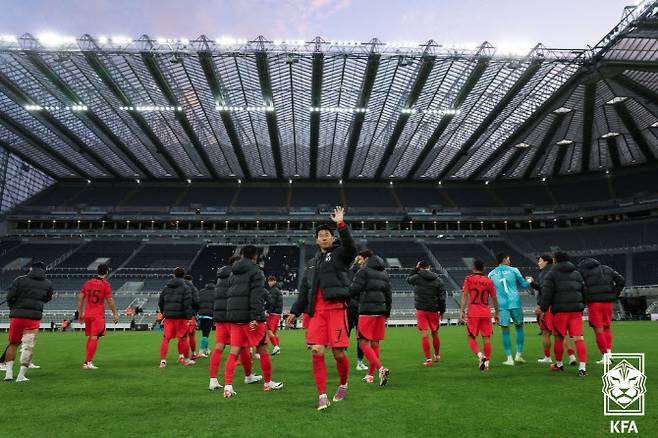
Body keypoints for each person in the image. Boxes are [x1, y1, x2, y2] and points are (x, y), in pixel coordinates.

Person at [287, 207, 357, 411]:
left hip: (336, 310)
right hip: (317, 313)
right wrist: (295, 311)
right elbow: (304, 290)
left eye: (327, 235)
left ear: (333, 238)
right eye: (320, 236)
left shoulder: (339, 255)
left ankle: (343, 384)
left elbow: (351, 249)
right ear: (316, 240)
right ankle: (322, 395)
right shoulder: (310, 264)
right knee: (317, 351)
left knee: (338, 354)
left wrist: (341, 224)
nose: (324, 238)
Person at [222, 246, 283, 398]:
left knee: (233, 352)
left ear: (241, 256)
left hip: (235, 319)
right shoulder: (256, 272)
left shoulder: (233, 273)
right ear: (255, 257)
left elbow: (229, 295)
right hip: (251, 318)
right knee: (263, 349)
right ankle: (268, 383)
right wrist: (256, 317)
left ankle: (228, 386)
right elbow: (256, 296)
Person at [209, 257, 260, 391]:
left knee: (219, 347)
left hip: (220, 318)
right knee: (242, 346)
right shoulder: (236, 276)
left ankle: (213, 380)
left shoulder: (220, 277)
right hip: (232, 316)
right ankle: (248, 376)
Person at [539, 252, 588, 377]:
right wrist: (581, 306)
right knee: (579, 338)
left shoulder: (552, 274)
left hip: (560, 311)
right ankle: (582, 368)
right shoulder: (577, 274)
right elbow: (584, 292)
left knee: (559, 338)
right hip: (576, 311)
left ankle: (559, 365)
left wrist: (543, 309)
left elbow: (547, 294)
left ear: (555, 260)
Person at [4, 261, 53, 382]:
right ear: (44, 270)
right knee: (28, 347)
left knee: (13, 344)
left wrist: (13, 308)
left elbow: (9, 297)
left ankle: (8, 373)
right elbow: (47, 298)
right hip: (33, 318)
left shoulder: (19, 280)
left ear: (31, 268)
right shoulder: (47, 283)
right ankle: (21, 376)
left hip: (17, 316)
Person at [349, 251, 391, 385]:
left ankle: (381, 369)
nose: (359, 262)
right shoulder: (384, 273)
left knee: (363, 343)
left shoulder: (363, 271)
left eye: (360, 259)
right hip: (381, 311)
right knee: (375, 343)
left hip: (367, 310)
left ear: (366, 259)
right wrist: (387, 311)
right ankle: (370, 375)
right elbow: (388, 294)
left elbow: (354, 289)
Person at [576, 257, 625, 365]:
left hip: (594, 303)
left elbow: (580, 287)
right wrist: (614, 294)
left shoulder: (581, 271)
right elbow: (621, 280)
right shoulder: (606, 268)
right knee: (607, 327)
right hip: (608, 303)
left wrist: (584, 298)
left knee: (598, 329)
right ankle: (609, 353)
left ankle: (605, 356)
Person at [488, 253, 530, 366]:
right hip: (515, 302)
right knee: (519, 326)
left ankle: (509, 358)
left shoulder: (491, 274)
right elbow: (525, 285)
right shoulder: (514, 270)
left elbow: (489, 291)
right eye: (509, 258)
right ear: (505, 259)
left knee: (505, 331)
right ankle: (519, 355)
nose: (510, 260)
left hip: (502, 306)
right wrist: (529, 281)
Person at [77, 263, 120, 369]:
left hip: (87, 314)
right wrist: (115, 314)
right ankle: (88, 362)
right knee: (94, 338)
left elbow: (81, 297)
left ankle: (86, 361)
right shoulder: (105, 284)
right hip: (97, 315)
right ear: (106, 272)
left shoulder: (88, 282)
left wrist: (80, 313)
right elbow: (110, 300)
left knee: (91, 337)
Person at [460, 259, 499, 371]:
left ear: (473, 268)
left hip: (473, 312)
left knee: (471, 337)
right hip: (486, 312)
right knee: (486, 339)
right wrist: (496, 313)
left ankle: (480, 355)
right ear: (484, 268)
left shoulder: (469, 279)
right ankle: (487, 364)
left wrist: (462, 310)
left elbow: (465, 295)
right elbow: (494, 298)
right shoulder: (489, 281)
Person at [407, 261, 446, 366]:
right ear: (429, 267)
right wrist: (442, 311)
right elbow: (442, 298)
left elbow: (408, 280)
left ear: (419, 267)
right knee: (435, 333)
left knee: (425, 334)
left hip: (421, 309)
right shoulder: (438, 280)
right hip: (433, 309)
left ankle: (428, 359)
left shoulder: (416, 277)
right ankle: (437, 356)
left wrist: (415, 269)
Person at [158, 267, 195, 368]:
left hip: (169, 317)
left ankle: (163, 361)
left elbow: (160, 302)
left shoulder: (166, 287)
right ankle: (186, 359)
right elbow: (187, 304)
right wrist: (188, 318)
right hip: (181, 317)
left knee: (166, 339)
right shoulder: (186, 288)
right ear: (183, 276)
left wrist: (164, 313)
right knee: (183, 338)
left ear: (173, 275)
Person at [348, 254, 367, 371]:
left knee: (346, 333)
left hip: (349, 306)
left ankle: (342, 360)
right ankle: (359, 363)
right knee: (361, 337)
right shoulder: (364, 273)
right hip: (360, 307)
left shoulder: (348, 271)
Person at [183, 275, 202, 360]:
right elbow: (197, 302)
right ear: (191, 280)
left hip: (180, 315)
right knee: (191, 335)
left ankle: (182, 356)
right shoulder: (193, 288)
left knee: (182, 337)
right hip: (190, 314)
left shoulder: (180, 287)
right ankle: (193, 353)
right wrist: (195, 312)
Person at [265, 276, 283, 355]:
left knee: (269, 331)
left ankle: (276, 346)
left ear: (274, 281)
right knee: (275, 332)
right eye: (269, 281)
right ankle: (277, 348)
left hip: (273, 314)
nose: (269, 283)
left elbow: (272, 303)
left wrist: (268, 311)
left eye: (271, 281)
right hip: (278, 314)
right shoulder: (278, 290)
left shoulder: (273, 290)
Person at [198, 280, 216, 357]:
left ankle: (206, 349)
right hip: (209, 315)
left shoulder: (201, 292)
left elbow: (197, 302)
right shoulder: (216, 292)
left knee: (204, 333)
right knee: (206, 334)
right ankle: (201, 351)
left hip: (201, 315)